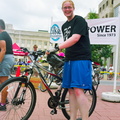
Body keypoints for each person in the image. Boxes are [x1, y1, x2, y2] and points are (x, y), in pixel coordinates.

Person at [50, 1, 92, 119]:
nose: (67, 9)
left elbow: (75, 38)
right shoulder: (64, 26)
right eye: (65, 8)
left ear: (73, 8)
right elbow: (68, 43)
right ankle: (72, 118)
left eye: (69, 7)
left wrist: (57, 47)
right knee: (71, 92)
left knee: (78, 91)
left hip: (81, 58)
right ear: (62, 9)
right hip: (69, 60)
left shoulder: (79, 20)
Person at [0, 19, 14, 111]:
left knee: (4, 82)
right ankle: (5, 99)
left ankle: (3, 104)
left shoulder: (2, 35)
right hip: (8, 58)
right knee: (2, 81)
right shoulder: (5, 34)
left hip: (5, 59)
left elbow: (3, 50)